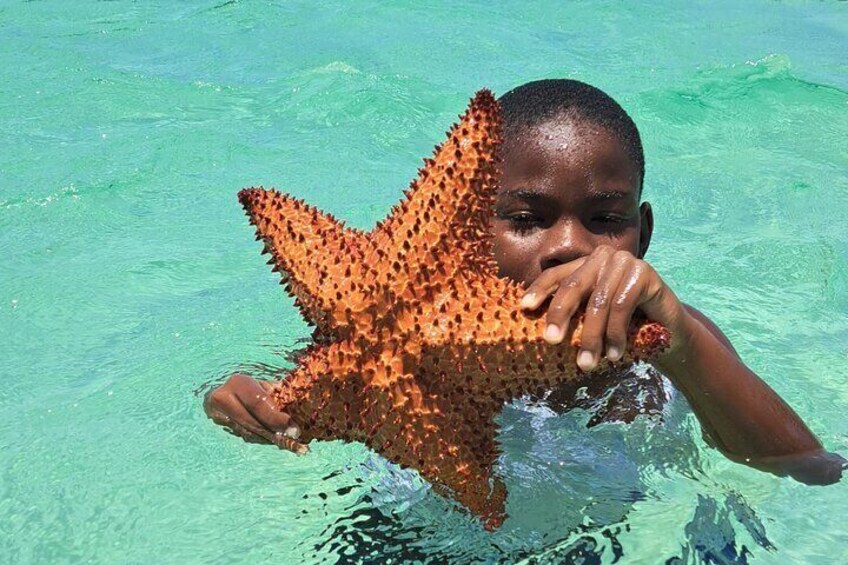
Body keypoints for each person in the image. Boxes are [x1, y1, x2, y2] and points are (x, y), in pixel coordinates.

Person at [204, 79, 845, 485]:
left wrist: (679, 339)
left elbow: (808, 467)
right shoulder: (393, 339)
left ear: (642, 236)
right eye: (525, 219)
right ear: (466, 237)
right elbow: (283, 391)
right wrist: (238, 401)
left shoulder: (667, 340)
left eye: (606, 220)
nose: (568, 245)